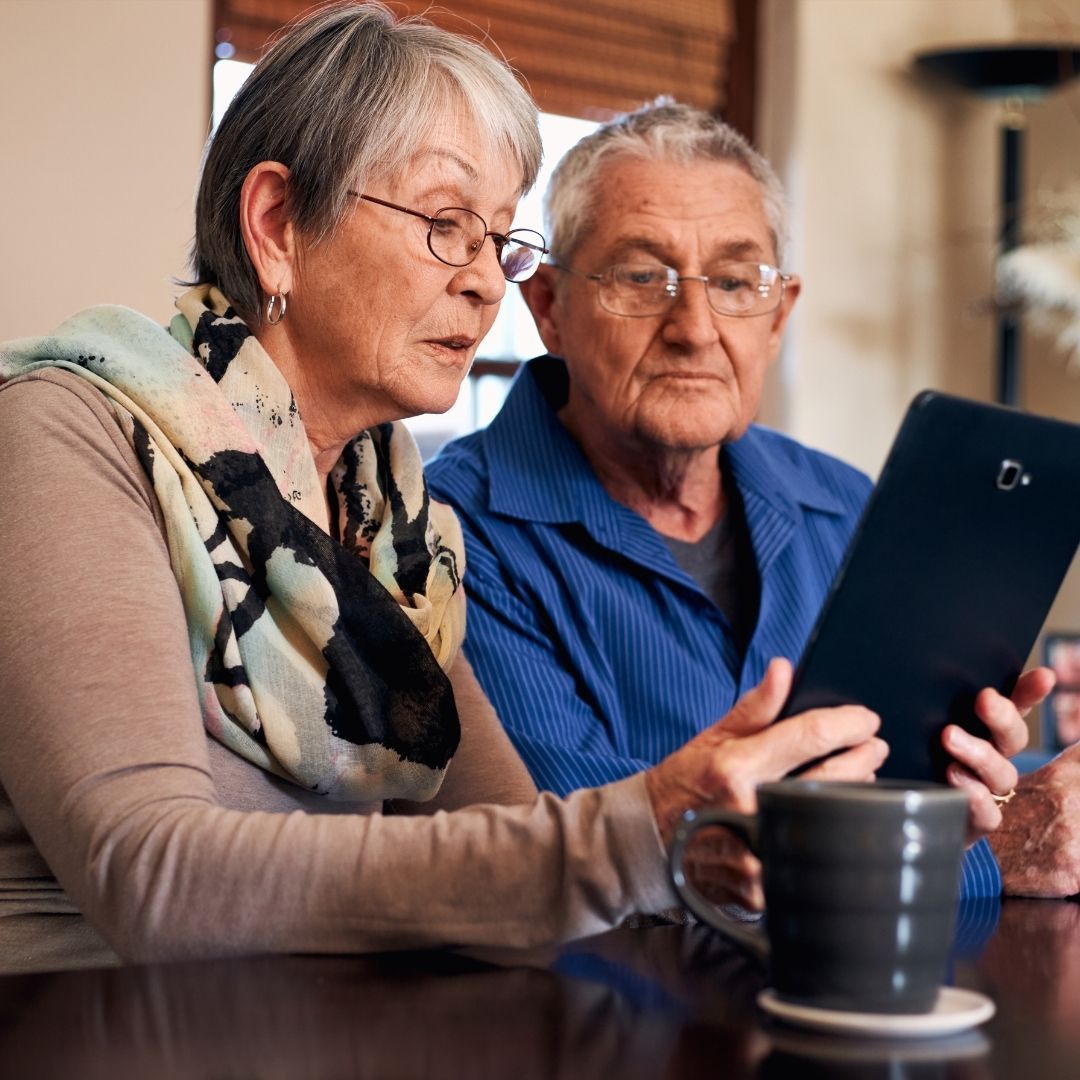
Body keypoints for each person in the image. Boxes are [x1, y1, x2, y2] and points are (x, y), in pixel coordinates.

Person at [0, 2, 899, 975]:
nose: (485, 283)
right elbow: (151, 876)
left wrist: (715, 847)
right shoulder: (67, 433)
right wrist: (639, 829)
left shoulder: (397, 530)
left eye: (498, 239)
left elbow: (519, 869)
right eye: (444, 225)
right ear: (276, 227)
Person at [426, 100, 1050, 899]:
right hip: (600, 1014)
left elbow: (919, 789)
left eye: (735, 281)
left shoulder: (846, 506)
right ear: (549, 306)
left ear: (779, 315)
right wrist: (989, 852)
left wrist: (987, 789)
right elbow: (584, 859)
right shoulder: (448, 534)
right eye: (642, 276)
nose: (694, 326)